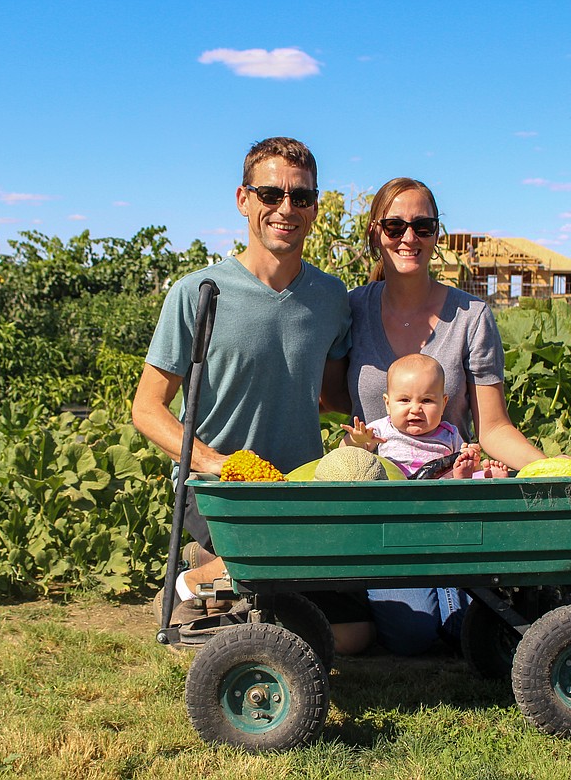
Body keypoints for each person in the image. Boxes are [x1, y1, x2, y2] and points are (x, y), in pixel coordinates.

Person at [131, 137, 374, 654]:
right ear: (244, 199)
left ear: (314, 206)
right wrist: (211, 461)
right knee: (293, 597)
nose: (286, 209)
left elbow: (331, 397)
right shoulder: (198, 293)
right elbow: (146, 408)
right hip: (217, 488)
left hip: (297, 489)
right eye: (270, 194)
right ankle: (216, 579)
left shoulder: (331, 298)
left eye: (301, 197)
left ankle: (218, 578)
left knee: (355, 635)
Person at [346, 177, 548, 656]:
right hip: (380, 512)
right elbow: (325, 394)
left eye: (422, 225)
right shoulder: (351, 308)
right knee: (412, 636)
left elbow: (493, 426)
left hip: (452, 503)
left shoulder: (471, 315)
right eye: (395, 225)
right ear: (376, 232)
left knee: (462, 625)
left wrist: (549, 469)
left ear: (437, 234)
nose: (408, 237)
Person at [341, 353, 506, 479]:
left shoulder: (450, 434)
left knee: (465, 474)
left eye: (426, 401)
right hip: (395, 490)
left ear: (443, 404)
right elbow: (345, 457)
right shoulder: (380, 430)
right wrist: (357, 440)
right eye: (404, 400)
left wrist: (471, 461)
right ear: (388, 404)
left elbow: (465, 459)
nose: (415, 409)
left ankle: (484, 478)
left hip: (440, 492)